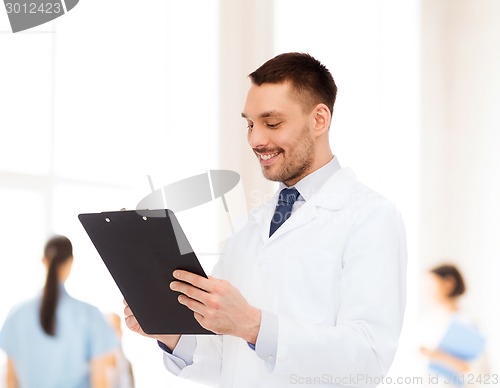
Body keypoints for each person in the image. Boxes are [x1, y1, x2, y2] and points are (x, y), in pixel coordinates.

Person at [124, 52, 407, 387]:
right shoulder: (250, 227)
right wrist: (170, 334)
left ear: (319, 120)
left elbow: (367, 360)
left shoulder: (371, 217)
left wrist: (253, 326)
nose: (256, 139)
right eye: (250, 123)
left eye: (272, 123)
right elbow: (223, 357)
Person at [0, 235, 119, 388]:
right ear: (71, 261)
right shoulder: (90, 315)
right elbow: (100, 382)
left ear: (44, 261)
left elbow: (11, 380)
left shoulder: (17, 315)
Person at [419, 264, 489, 387]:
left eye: (431, 286)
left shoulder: (467, 322)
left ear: (449, 283)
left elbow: (481, 372)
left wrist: (439, 356)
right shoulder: (426, 320)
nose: (426, 292)